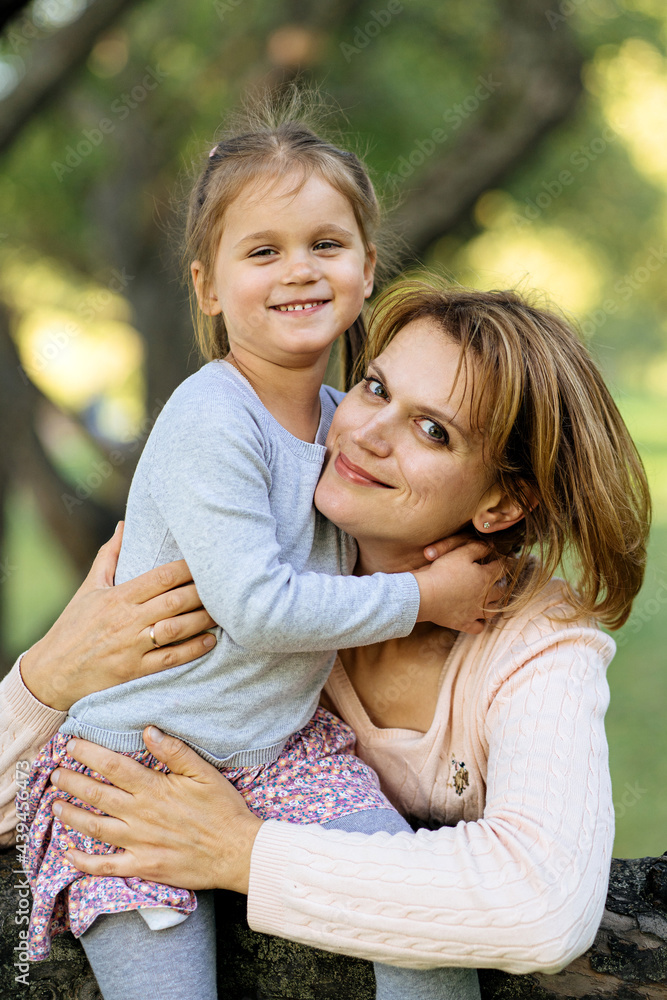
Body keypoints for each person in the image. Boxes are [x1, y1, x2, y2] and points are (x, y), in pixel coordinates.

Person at [2, 280, 650, 988]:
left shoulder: (532, 639)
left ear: (501, 502)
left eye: (433, 430)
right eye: (374, 388)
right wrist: (48, 680)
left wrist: (239, 851)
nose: (366, 433)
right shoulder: (245, 564)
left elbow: (542, 908)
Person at [17, 95, 500, 1000]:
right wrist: (426, 601)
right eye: (263, 250)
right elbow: (260, 608)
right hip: (132, 762)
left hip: (282, 750)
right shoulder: (211, 419)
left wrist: (444, 564)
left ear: (364, 270)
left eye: (325, 244)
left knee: (417, 928)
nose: (299, 270)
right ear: (206, 287)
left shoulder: (342, 421)